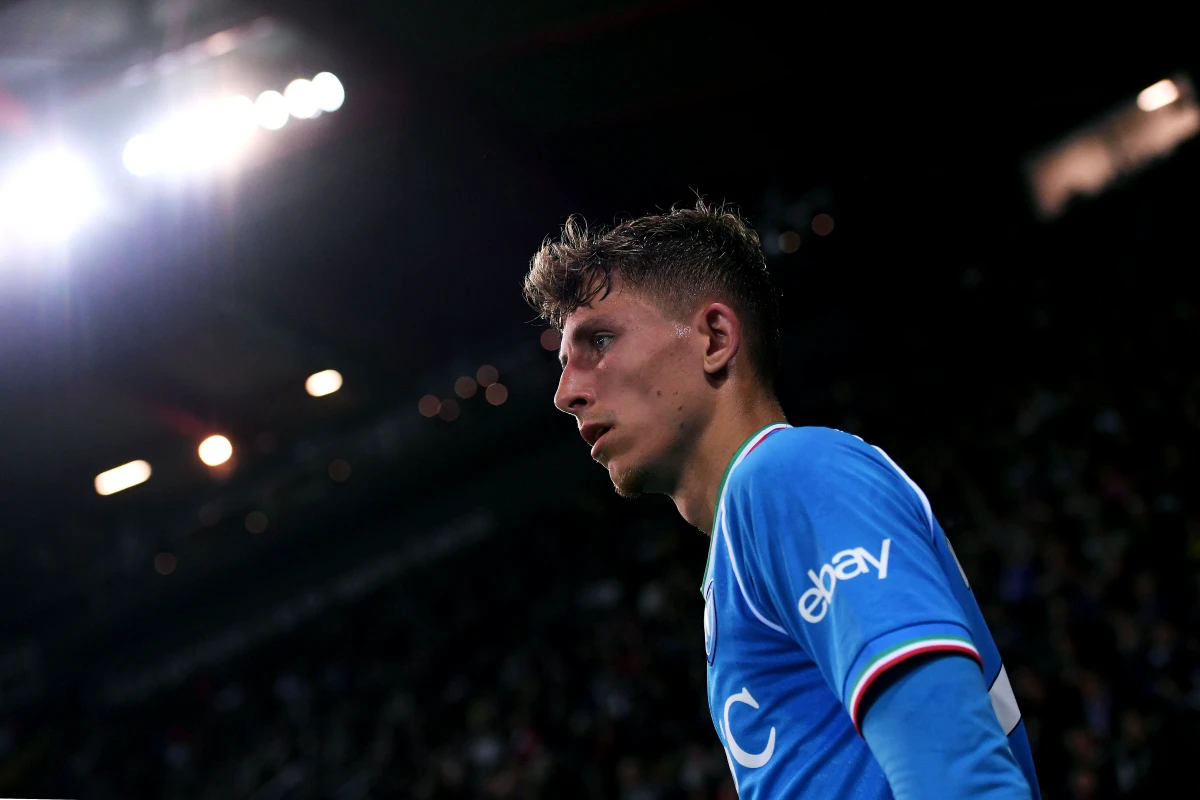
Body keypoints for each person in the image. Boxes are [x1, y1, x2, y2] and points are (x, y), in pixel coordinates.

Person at [522, 200, 1040, 799]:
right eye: (563, 363)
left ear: (715, 337)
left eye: (601, 340)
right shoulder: (736, 553)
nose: (565, 393)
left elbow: (960, 781)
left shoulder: (788, 475)